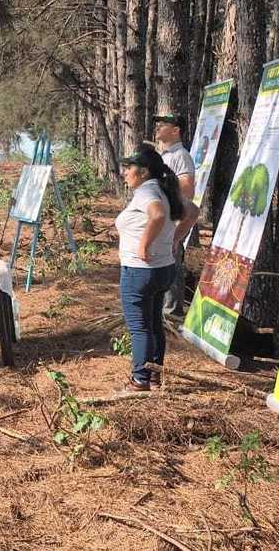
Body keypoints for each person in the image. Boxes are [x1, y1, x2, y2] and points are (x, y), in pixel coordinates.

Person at [115, 145, 184, 392]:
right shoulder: (162, 189)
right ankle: (155, 376)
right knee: (154, 324)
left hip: (140, 271)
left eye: (129, 168)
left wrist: (144, 245)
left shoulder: (147, 192)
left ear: (143, 172)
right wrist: (175, 238)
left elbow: (156, 215)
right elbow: (192, 211)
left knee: (140, 328)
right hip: (162, 269)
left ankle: (139, 380)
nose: (125, 173)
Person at [153, 114, 199, 315]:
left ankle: (172, 312)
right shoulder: (164, 155)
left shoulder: (181, 155)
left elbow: (188, 191)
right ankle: (163, 310)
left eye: (163, 124)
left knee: (171, 262)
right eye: (158, 124)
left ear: (176, 130)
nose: (158, 127)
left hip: (172, 221)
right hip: (161, 220)